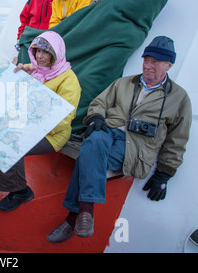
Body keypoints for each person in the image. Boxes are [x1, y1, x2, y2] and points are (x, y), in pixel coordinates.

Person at [47, 36, 192, 243]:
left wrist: (164, 174)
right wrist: (96, 117)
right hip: (107, 133)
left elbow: (177, 139)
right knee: (95, 141)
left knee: (88, 154)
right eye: (146, 59)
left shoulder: (179, 98)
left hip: (135, 147)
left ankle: (74, 217)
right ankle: (85, 214)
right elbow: (99, 103)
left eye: (156, 61)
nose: (148, 65)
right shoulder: (124, 83)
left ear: (169, 65)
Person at [0, 31, 81, 211]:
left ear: (56, 54)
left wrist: (30, 127)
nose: (40, 56)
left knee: (12, 143)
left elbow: (64, 120)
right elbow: (30, 71)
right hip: (29, 123)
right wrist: (15, 72)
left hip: (52, 134)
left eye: (45, 52)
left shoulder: (69, 80)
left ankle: (20, 191)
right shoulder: (37, 70)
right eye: (37, 51)